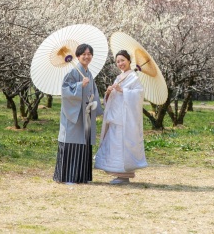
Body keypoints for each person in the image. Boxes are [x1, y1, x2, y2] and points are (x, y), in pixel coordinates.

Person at [94, 49, 148, 184]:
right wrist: (108, 92)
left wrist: (123, 90)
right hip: (115, 116)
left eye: (122, 60)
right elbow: (113, 98)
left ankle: (124, 175)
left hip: (125, 119)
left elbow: (139, 95)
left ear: (129, 60)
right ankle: (117, 172)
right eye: (118, 61)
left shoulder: (134, 77)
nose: (120, 63)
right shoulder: (119, 77)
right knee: (114, 145)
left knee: (121, 145)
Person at [53, 43, 103, 184]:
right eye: (84, 54)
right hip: (73, 114)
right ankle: (69, 177)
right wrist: (80, 85)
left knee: (84, 144)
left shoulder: (88, 73)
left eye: (89, 54)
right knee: (73, 143)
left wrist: (95, 104)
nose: (87, 57)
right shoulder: (72, 73)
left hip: (86, 113)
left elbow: (94, 92)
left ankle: (81, 176)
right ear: (78, 56)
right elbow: (65, 91)